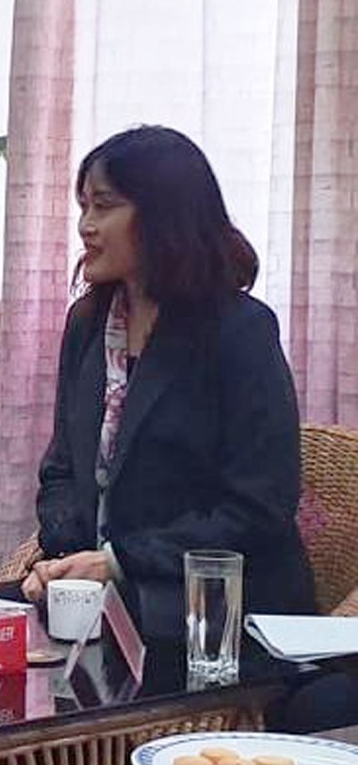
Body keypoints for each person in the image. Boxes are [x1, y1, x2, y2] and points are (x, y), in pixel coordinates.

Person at [20, 125, 314, 637]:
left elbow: (259, 507)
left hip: (217, 610)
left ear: (163, 215)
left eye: (104, 206)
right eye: (83, 206)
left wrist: (118, 561)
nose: (86, 226)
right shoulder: (88, 324)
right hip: (108, 598)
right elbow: (62, 468)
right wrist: (67, 558)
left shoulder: (240, 330)